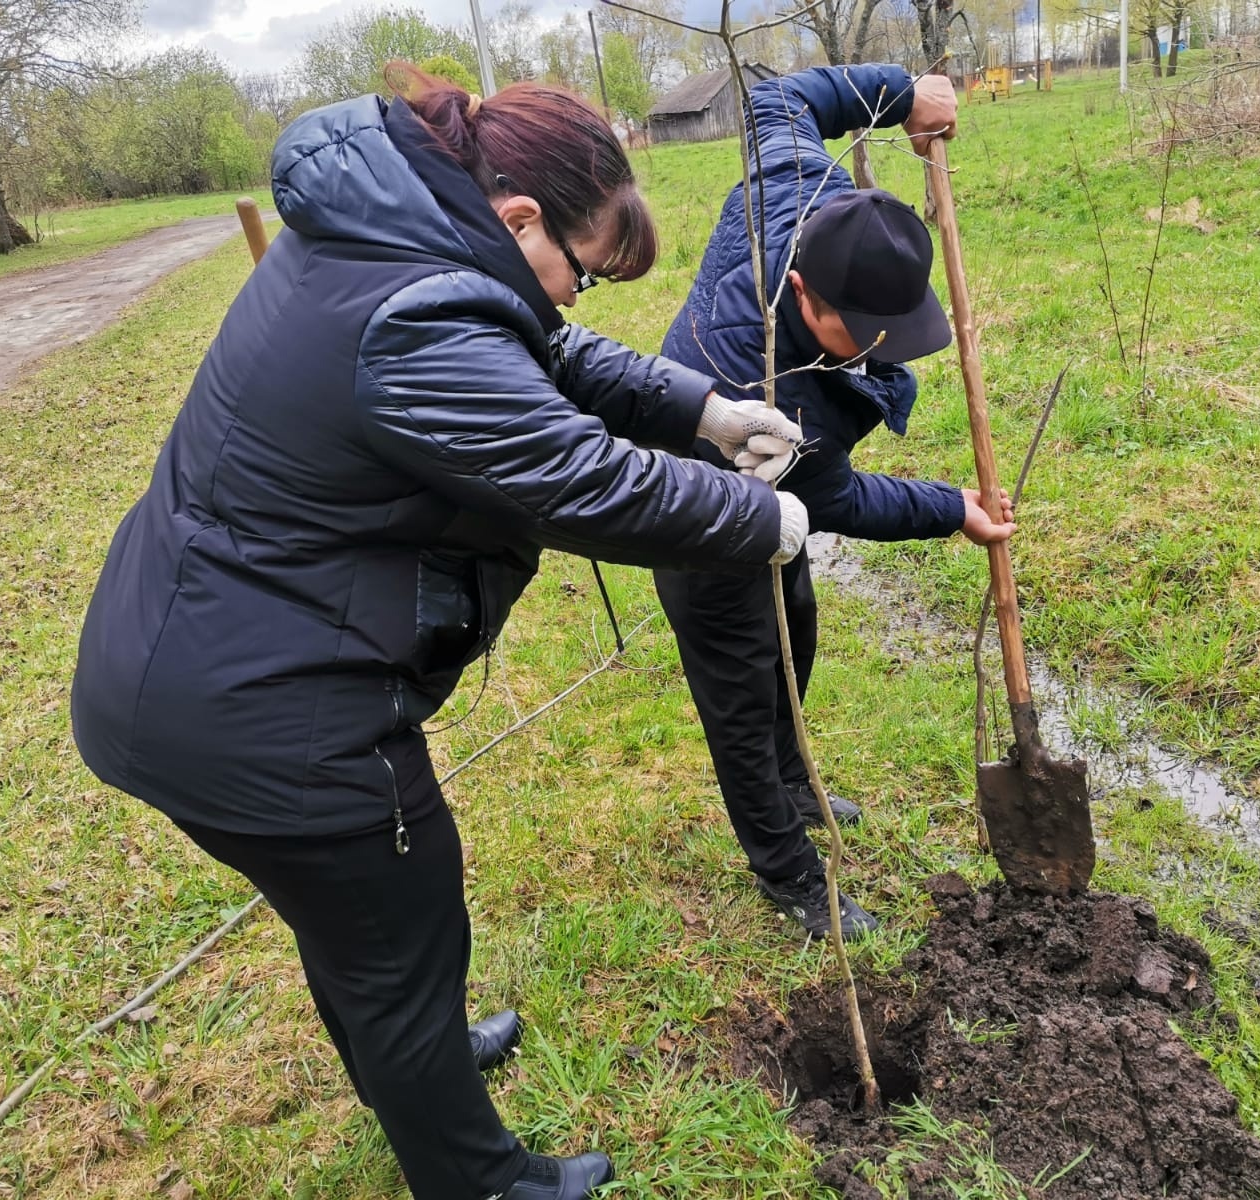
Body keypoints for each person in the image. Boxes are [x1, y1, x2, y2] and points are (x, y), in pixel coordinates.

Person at [70, 65, 809, 1200]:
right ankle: (482, 1179)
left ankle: (405, 1062)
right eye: (581, 271)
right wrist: (766, 519)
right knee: (400, 926)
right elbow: (581, 481)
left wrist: (697, 408)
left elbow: (545, 352)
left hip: (187, 664)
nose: (575, 301)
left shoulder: (396, 241)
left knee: (355, 932)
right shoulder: (415, 316)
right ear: (518, 218)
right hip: (269, 714)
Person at [653, 65, 1017, 942]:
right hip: (699, 510)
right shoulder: (770, 389)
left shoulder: (791, 188)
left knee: (797, 624)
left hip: (773, 502)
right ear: (807, 296)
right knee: (742, 686)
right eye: (862, 329)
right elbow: (839, 497)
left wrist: (904, 96)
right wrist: (949, 509)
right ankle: (791, 878)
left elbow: (779, 98)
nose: (885, 347)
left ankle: (791, 780)